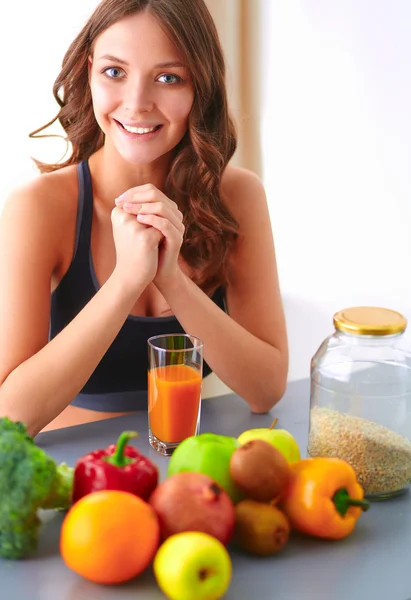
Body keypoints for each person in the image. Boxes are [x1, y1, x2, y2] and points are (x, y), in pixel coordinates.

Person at [0, 0, 288, 437]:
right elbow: (10, 416)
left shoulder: (238, 196)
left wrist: (171, 279)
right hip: (71, 476)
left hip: (188, 471)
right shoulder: (39, 207)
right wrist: (126, 281)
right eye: (115, 72)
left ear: (199, 88)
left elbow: (265, 390)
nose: (136, 104)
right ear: (89, 69)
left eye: (168, 78)